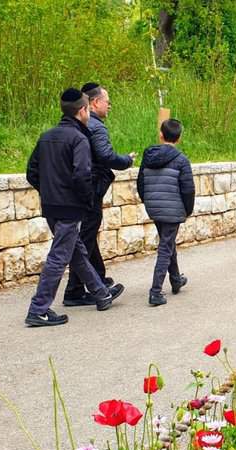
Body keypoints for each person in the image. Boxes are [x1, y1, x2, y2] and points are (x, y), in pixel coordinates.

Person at [24, 88, 123, 327]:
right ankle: (38, 309)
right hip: (70, 206)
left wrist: (48, 191)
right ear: (82, 111)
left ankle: (101, 292)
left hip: (50, 206)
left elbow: (31, 172)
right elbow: (82, 175)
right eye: (88, 109)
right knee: (59, 257)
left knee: (76, 250)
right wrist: (86, 199)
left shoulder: (46, 136)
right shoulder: (79, 139)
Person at [61, 82, 134, 307]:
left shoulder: (77, 126)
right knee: (86, 236)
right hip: (90, 188)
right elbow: (104, 155)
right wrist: (126, 160)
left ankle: (99, 277)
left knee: (88, 235)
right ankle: (74, 290)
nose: (109, 105)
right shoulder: (96, 126)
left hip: (79, 188)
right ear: (94, 103)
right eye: (106, 101)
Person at [138, 119, 195, 307]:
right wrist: (187, 210)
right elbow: (188, 189)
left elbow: (140, 183)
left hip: (154, 207)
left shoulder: (148, 156)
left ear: (161, 135)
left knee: (167, 241)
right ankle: (155, 291)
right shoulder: (181, 160)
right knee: (165, 246)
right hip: (173, 208)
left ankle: (176, 279)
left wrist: (148, 202)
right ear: (179, 138)